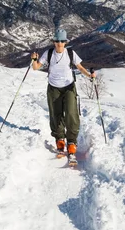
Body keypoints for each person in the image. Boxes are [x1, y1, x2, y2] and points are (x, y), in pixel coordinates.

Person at [31, 28, 96, 161]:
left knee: (71, 113)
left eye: (62, 41)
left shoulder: (70, 53)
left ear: (65, 42)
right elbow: (36, 67)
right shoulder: (48, 53)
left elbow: (80, 67)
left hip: (69, 87)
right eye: (57, 41)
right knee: (56, 114)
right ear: (54, 42)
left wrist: (90, 75)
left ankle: (71, 142)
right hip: (53, 88)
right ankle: (60, 140)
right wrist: (34, 59)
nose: (59, 43)